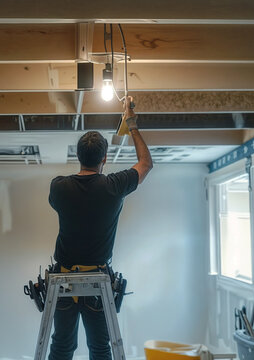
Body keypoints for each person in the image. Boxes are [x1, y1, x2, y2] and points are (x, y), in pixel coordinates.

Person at [47, 96, 153, 360]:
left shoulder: (59, 187)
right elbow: (146, 164)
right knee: (101, 349)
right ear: (104, 158)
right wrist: (132, 124)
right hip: (97, 280)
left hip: (64, 282)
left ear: (77, 156)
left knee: (61, 348)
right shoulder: (113, 186)